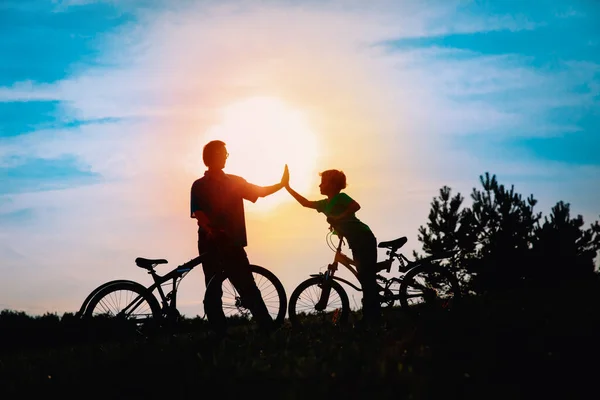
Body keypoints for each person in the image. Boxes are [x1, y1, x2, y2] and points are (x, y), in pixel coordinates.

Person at [190, 139, 289, 335]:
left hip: (232, 242)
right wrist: (211, 230)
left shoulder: (235, 181)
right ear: (214, 156)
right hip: (210, 244)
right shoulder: (199, 185)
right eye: (224, 153)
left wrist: (281, 185)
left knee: (247, 285)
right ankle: (220, 333)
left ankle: (267, 327)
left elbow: (259, 192)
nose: (226, 157)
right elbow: (199, 213)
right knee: (213, 289)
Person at [284, 169, 381, 325]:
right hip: (355, 241)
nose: (320, 185)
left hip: (364, 237)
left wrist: (338, 218)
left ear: (333, 184)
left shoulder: (341, 197)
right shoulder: (324, 204)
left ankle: (373, 318)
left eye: (323, 182)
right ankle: (372, 315)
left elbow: (355, 206)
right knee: (364, 276)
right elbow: (305, 203)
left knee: (366, 278)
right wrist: (287, 187)